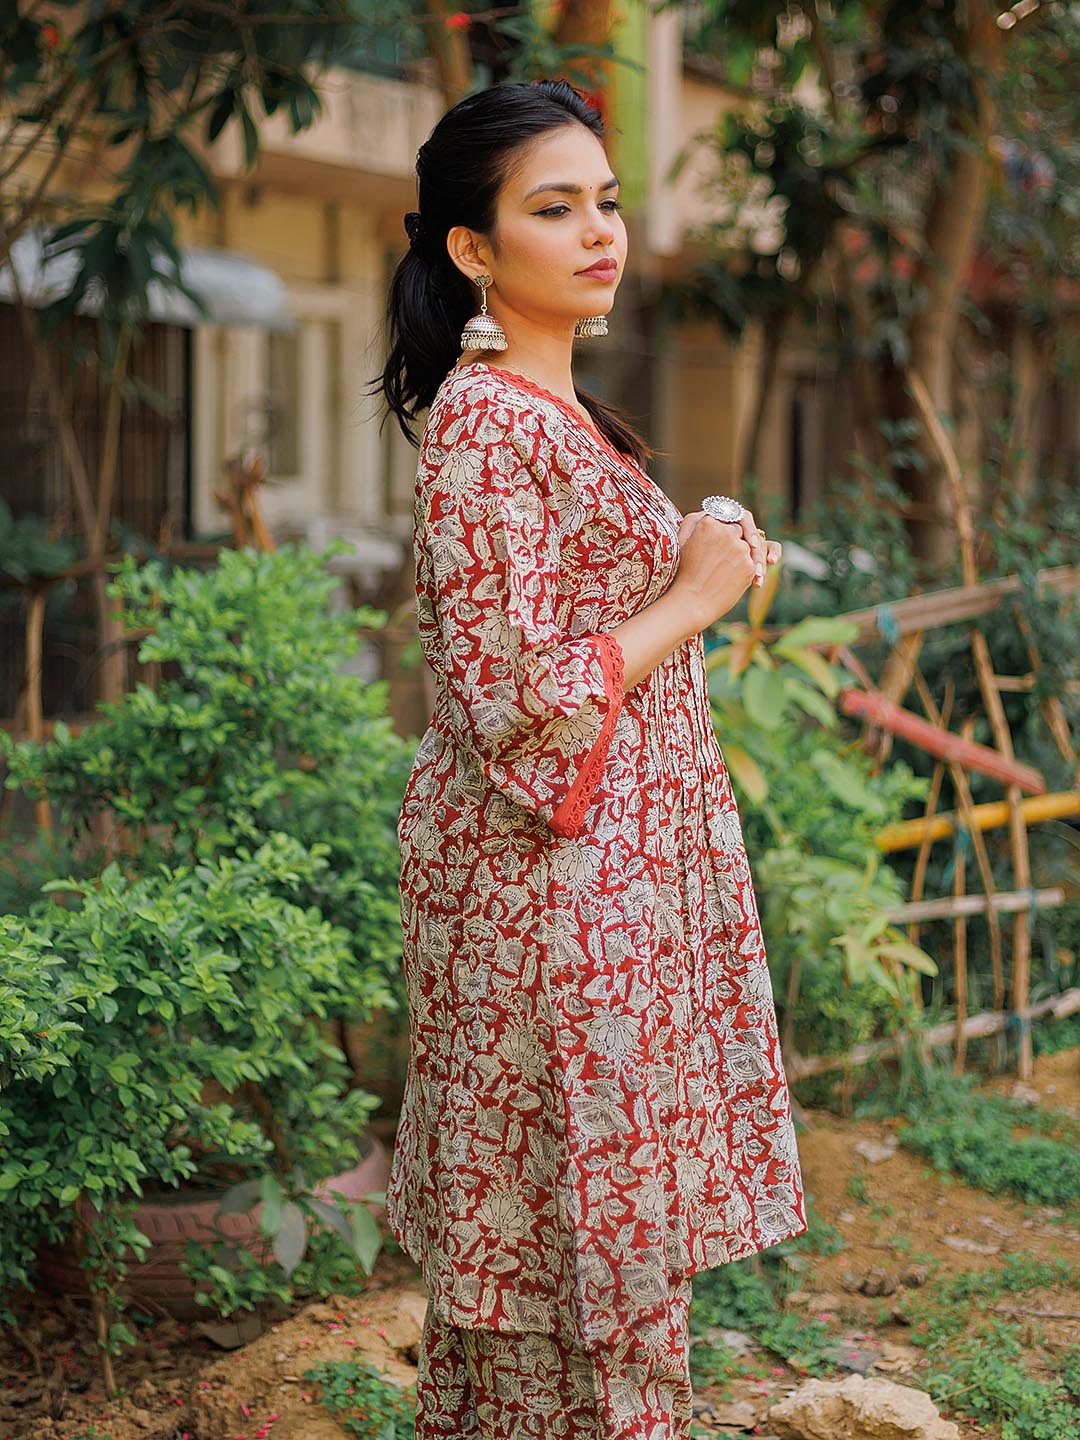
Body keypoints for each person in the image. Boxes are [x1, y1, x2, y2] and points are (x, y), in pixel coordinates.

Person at [373, 78, 805, 1440]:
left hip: (608, 893)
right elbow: (516, 694)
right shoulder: (487, 425)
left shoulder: (555, 412)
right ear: (474, 250)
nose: (599, 231)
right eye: (554, 209)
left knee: (595, 1258)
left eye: (606, 201)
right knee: (571, 1265)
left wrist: (699, 550)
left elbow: (581, 614)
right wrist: (690, 598)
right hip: (554, 903)